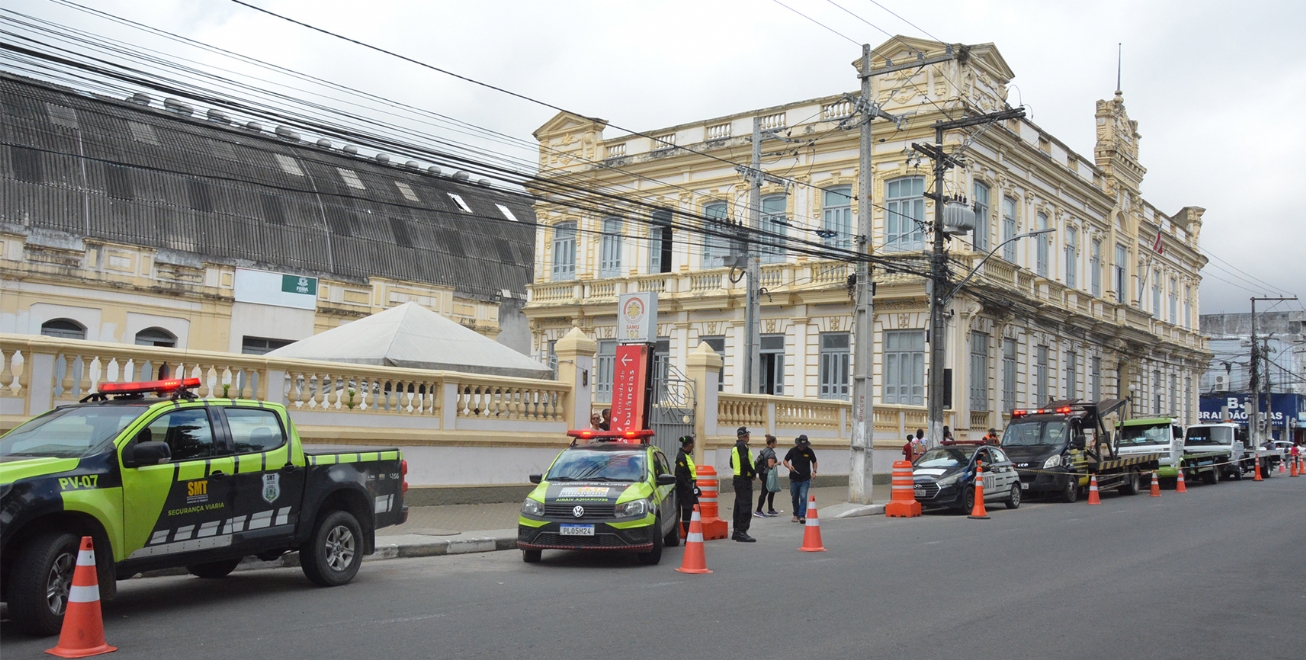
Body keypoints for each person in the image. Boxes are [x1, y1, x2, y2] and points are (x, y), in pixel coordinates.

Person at [729, 427, 756, 542]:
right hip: (744, 479)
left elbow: (731, 463)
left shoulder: (735, 447)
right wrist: (753, 473)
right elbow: (745, 461)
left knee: (739, 505)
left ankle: (736, 531)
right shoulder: (743, 446)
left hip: (737, 478)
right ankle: (742, 532)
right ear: (746, 436)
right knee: (745, 505)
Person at [783, 435, 817, 523]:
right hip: (794, 479)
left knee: (803, 497)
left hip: (805, 479)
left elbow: (814, 461)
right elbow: (785, 460)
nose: (802, 448)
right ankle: (795, 515)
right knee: (794, 497)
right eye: (801, 446)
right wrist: (789, 467)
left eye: (804, 446)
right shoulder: (792, 451)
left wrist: (814, 471)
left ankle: (802, 516)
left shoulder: (809, 451)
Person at [674, 435, 699, 537]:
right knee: (688, 511)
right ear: (690, 445)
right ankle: (689, 534)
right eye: (693, 445)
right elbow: (679, 475)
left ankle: (693, 532)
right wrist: (688, 487)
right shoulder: (681, 457)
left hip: (690, 487)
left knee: (695, 510)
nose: (693, 447)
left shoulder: (686, 455)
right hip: (685, 490)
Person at [754, 435, 780, 517]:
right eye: (775, 442)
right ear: (771, 443)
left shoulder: (764, 450)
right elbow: (771, 465)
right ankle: (758, 510)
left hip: (762, 473)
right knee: (765, 492)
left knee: (771, 491)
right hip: (767, 475)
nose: (776, 444)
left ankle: (771, 509)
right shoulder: (771, 453)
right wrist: (778, 463)